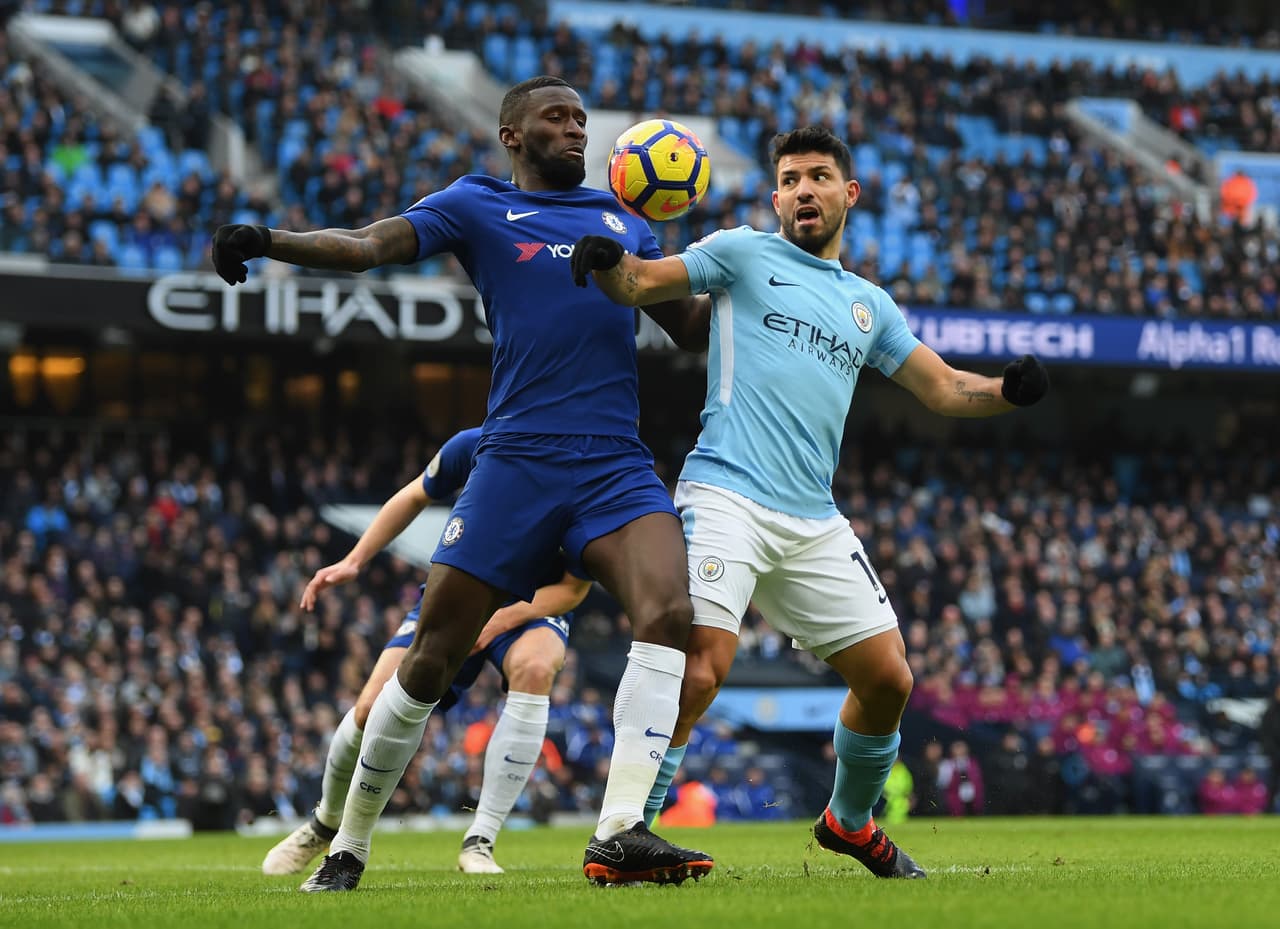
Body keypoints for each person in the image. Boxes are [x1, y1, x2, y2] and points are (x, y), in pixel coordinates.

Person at [211, 75, 713, 891]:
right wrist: (272, 240)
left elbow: (687, 331)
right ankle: (350, 846)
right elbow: (369, 245)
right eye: (557, 117)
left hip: (614, 462)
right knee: (432, 657)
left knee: (670, 610)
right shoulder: (476, 203)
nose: (576, 129)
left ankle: (621, 828)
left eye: (583, 119)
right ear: (513, 134)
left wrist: (711, 262)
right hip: (513, 460)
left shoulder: (627, 219)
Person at [570, 125, 1050, 879]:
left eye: (818, 176)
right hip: (725, 490)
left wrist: (1006, 391)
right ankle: (630, 833)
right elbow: (639, 282)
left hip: (812, 517)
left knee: (890, 678)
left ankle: (850, 823)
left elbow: (944, 387)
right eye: (789, 179)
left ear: (848, 194)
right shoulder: (742, 253)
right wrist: (608, 265)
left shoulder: (868, 305)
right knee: (702, 669)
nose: (803, 190)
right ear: (775, 197)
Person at [261, 427, 591, 877]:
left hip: (532, 604)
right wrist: (354, 560)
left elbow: (573, 589)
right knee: (369, 708)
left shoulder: (586, 464)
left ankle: (480, 841)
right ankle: (323, 824)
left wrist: (499, 620)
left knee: (535, 667)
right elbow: (414, 494)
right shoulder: (477, 443)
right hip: (458, 591)